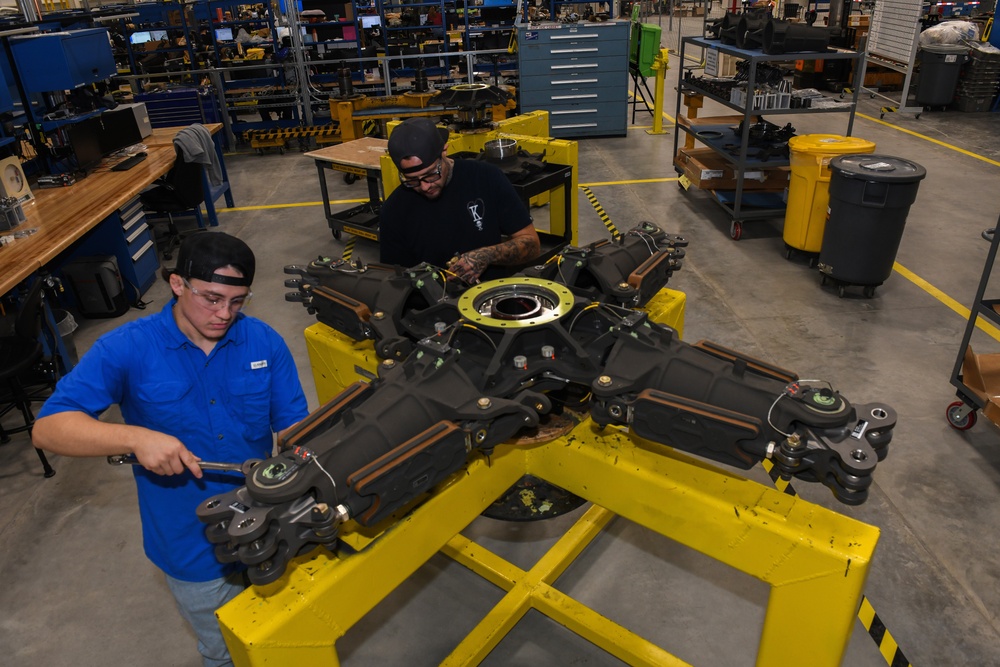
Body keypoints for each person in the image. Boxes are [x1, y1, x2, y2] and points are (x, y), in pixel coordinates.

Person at [33, 232, 309, 667]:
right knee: (224, 650)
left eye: (238, 302)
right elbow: (48, 429)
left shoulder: (263, 342)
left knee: (284, 636)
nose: (224, 314)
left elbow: (294, 427)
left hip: (267, 523)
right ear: (178, 284)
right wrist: (135, 437)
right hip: (191, 540)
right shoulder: (126, 348)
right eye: (212, 299)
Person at [379, 117, 541, 283]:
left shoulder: (485, 178)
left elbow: (532, 245)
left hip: (489, 296)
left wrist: (486, 255)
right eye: (412, 180)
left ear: (444, 151)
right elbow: (394, 279)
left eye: (431, 174)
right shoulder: (394, 211)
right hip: (431, 306)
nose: (425, 186)